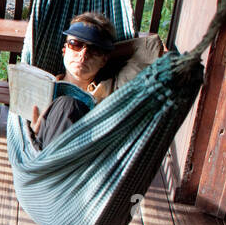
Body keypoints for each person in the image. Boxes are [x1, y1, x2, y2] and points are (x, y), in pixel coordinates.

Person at [28, 11, 165, 150]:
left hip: (87, 159)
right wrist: (36, 131)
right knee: (66, 104)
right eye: (75, 44)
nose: (83, 54)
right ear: (64, 50)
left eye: (94, 49)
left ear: (104, 60)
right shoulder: (43, 87)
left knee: (69, 104)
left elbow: (150, 47)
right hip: (42, 155)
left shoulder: (112, 89)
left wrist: (109, 52)